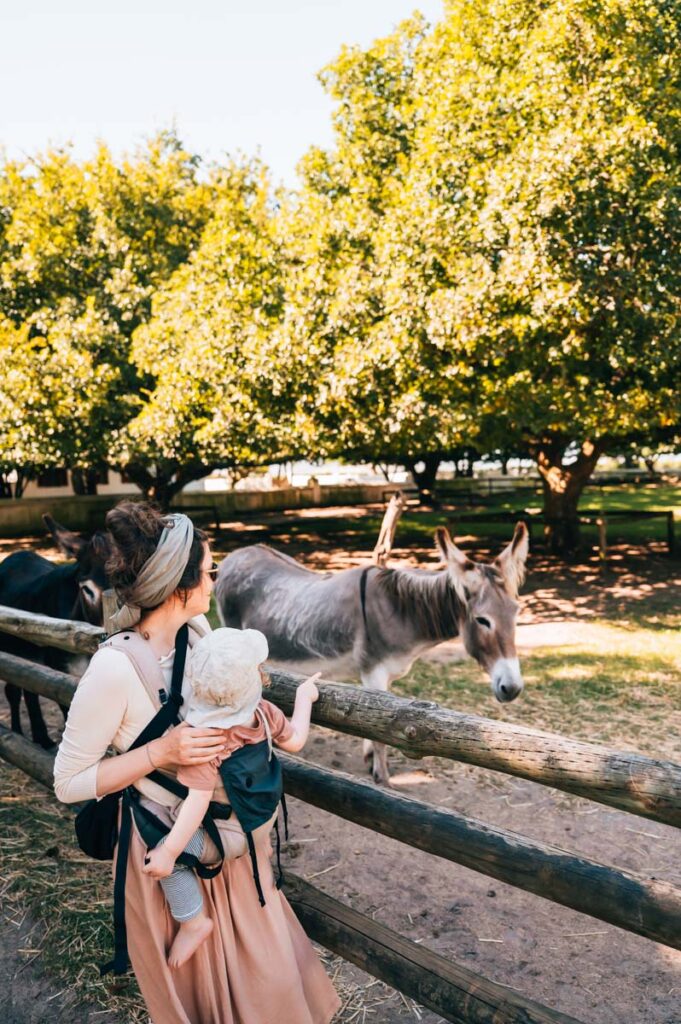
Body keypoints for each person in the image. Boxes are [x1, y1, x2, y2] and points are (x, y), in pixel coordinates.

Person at [54, 501, 340, 1024]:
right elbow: (69, 782)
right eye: (210, 571)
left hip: (231, 842)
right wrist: (158, 753)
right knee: (206, 996)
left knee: (265, 979)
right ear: (178, 585)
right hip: (172, 847)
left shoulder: (200, 632)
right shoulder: (113, 669)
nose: (215, 580)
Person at [141, 625, 321, 969]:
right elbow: (296, 740)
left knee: (167, 857)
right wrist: (303, 697)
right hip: (263, 817)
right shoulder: (264, 712)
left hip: (231, 835)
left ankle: (193, 922)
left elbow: (197, 803)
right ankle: (259, 846)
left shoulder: (206, 740)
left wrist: (168, 851)